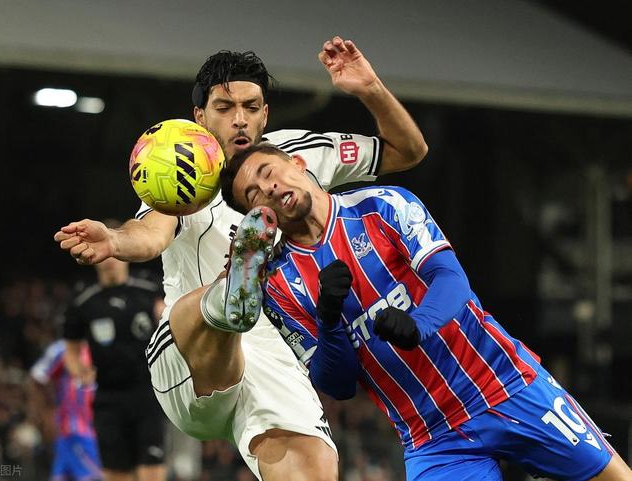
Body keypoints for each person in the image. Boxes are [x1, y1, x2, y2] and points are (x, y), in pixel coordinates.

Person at [54, 36, 428, 480]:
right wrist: (115, 241)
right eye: (224, 107)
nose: (239, 119)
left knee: (316, 469)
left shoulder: (294, 158)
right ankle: (229, 295)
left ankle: (236, 294)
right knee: (213, 312)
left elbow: (408, 150)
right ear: (200, 116)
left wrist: (370, 89)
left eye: (251, 107)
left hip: (272, 354)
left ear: (265, 114)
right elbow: (152, 232)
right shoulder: (185, 167)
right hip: (188, 355)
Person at [220, 143, 632, 481]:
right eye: (253, 195)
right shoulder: (278, 283)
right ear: (258, 215)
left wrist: (417, 325)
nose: (268, 188)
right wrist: (328, 319)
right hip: (433, 438)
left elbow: (451, 279)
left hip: (505, 385)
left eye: (268, 172)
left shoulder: (383, 206)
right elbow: (338, 384)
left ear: (297, 163)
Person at [62, 228, 167, 481]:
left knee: (151, 471)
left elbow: (170, 324)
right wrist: (79, 370)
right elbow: (71, 350)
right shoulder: (83, 301)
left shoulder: (149, 289)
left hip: (148, 394)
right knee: (115, 474)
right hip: (108, 399)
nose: (109, 259)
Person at [29, 339, 103, 481]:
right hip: (75, 430)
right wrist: (46, 413)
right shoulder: (61, 350)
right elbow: (37, 377)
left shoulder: (101, 347)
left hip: (93, 431)